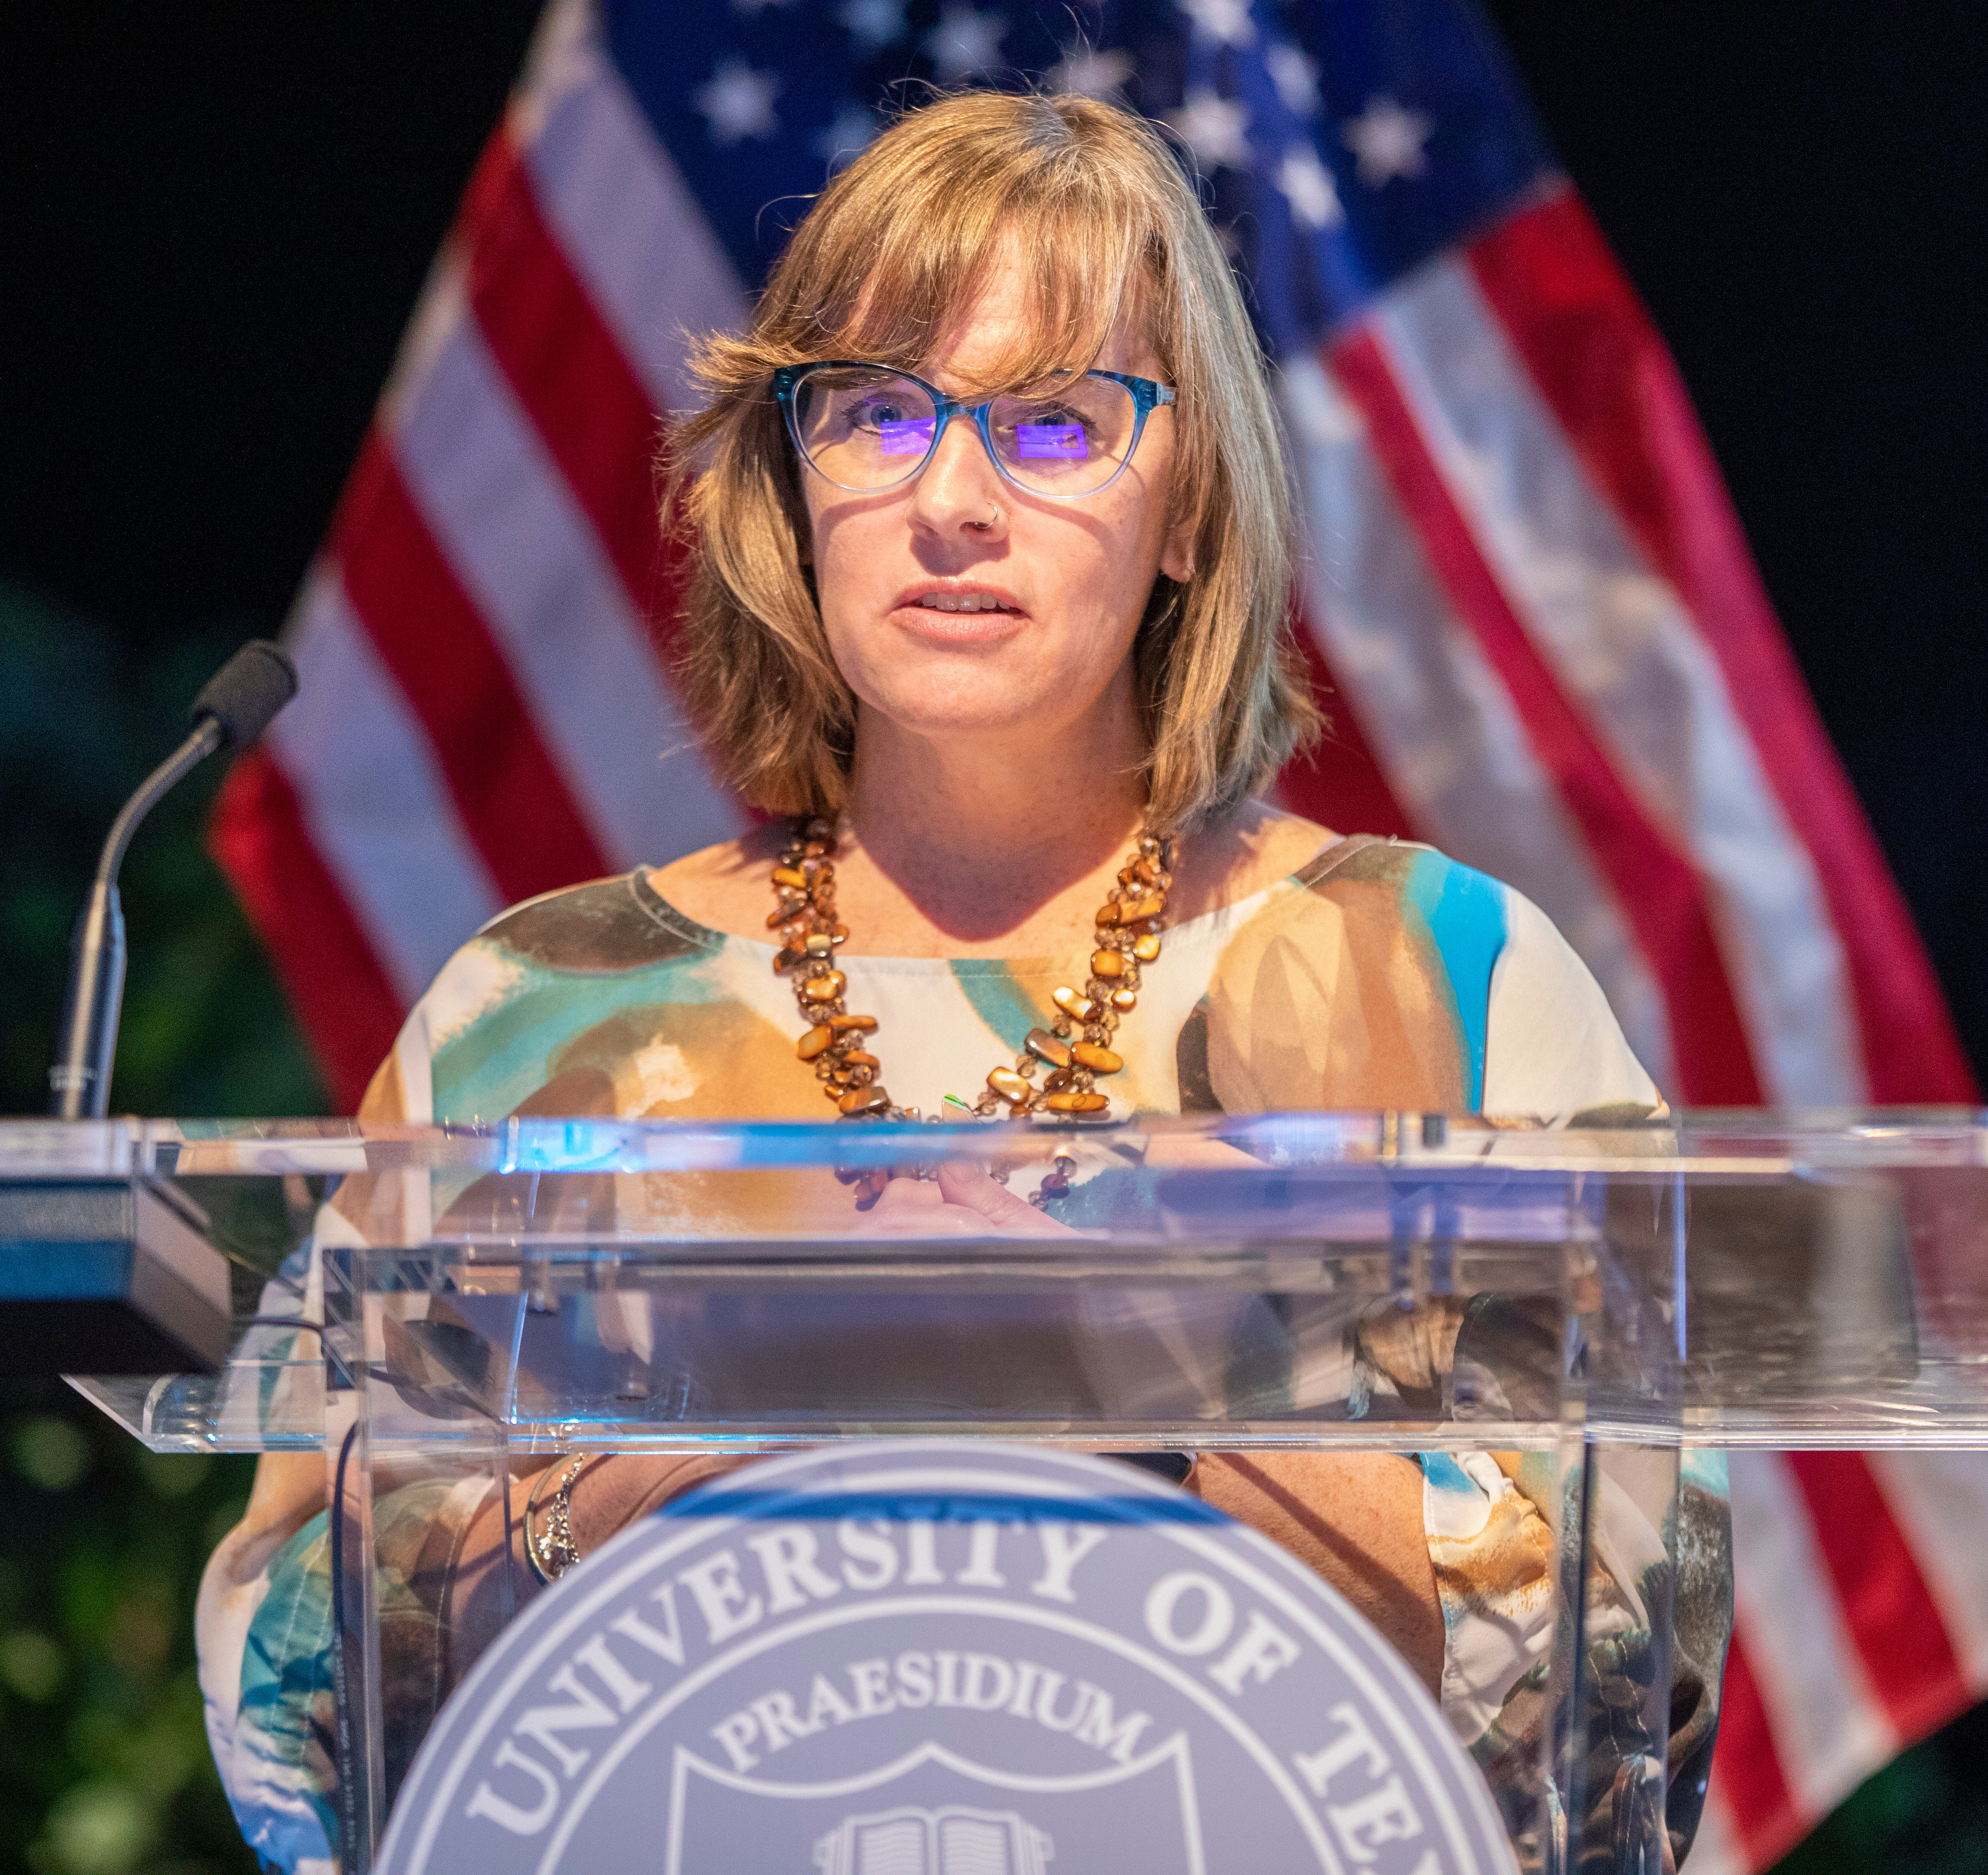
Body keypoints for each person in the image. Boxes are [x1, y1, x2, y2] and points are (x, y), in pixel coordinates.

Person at [196, 88, 1729, 1872]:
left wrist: (1132, 1362)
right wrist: (679, 1437)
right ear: (795, 483)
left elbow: (1634, 1683)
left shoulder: (1449, 979)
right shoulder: (536, 1008)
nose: (949, 498)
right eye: (877, 412)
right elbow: (303, 1690)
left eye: (1060, 424)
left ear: (1187, 508)